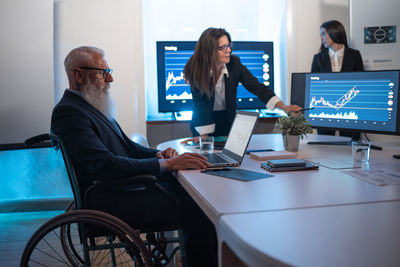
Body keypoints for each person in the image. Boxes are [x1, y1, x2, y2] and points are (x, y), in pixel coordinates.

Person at [51, 46, 217, 267]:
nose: (110, 78)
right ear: (78, 74)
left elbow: (127, 147)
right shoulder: (70, 113)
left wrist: (158, 154)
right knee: (202, 210)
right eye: (102, 72)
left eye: (108, 70)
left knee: (197, 195)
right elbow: (106, 166)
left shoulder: (90, 106)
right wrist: (167, 164)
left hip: (123, 190)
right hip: (112, 200)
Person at [183, 27, 301, 138]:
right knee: (205, 156)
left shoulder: (234, 64)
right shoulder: (195, 69)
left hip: (228, 120)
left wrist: (283, 107)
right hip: (203, 122)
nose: (228, 50)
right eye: (222, 47)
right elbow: (201, 105)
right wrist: (203, 138)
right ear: (209, 51)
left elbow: (257, 87)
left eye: (228, 45)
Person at [311, 20, 364, 139]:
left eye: (324, 34)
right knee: (325, 146)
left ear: (335, 32)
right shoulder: (318, 58)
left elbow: (360, 83)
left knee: (350, 146)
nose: (321, 38)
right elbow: (314, 86)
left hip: (350, 109)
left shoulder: (354, 55)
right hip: (325, 110)